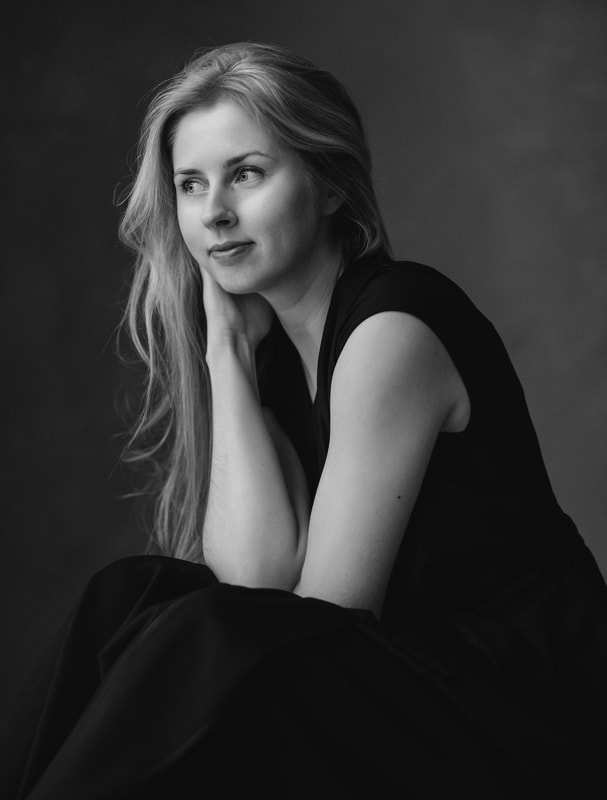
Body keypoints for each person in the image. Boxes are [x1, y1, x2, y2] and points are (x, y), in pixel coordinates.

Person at [1, 41, 606, 799]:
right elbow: (254, 582)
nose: (214, 213)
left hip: (530, 716)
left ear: (328, 186)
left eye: (246, 174)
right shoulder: (278, 352)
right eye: (190, 185)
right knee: (127, 593)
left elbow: (319, 619)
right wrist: (226, 352)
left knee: (205, 633)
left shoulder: (393, 330)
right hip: (419, 691)